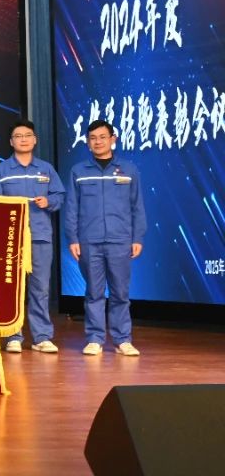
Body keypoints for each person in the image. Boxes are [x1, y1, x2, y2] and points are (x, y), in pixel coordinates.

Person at [64, 120, 146, 357]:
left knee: (120, 292)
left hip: (120, 240)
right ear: (88, 142)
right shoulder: (78, 171)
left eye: (102, 137)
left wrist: (137, 237)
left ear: (113, 139)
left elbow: (137, 206)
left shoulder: (128, 170)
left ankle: (122, 340)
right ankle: (94, 339)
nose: (98, 142)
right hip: (89, 241)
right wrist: (72, 238)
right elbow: (71, 207)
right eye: (93, 138)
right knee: (94, 292)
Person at [0, 120, 66, 354]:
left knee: (40, 288)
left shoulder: (46, 169)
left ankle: (42, 337)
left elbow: (59, 196)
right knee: (12, 288)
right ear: (11, 142)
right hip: (11, 239)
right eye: (18, 136)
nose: (23, 139)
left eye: (27, 135)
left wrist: (49, 201)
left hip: (40, 236)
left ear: (34, 140)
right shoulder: (0, 170)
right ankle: (13, 335)